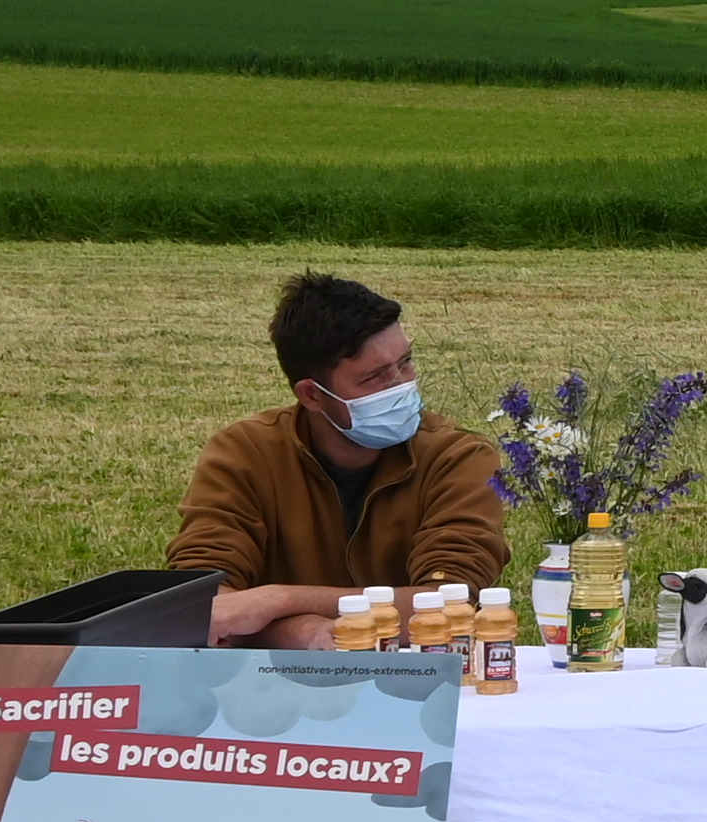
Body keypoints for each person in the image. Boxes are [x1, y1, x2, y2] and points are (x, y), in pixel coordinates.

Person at [169, 273, 517, 649]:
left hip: (414, 682)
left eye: (405, 363)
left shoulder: (459, 456)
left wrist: (279, 601)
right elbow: (206, 600)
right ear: (312, 395)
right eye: (375, 378)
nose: (401, 385)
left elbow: (449, 604)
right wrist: (303, 634)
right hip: (269, 688)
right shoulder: (244, 453)